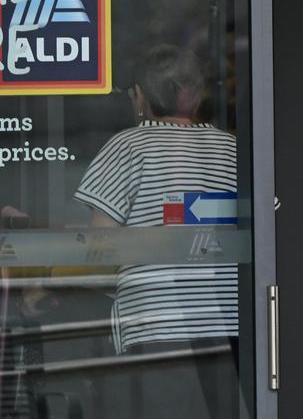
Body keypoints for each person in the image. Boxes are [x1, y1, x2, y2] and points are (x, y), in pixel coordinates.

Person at [73, 44, 240, 418]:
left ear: (139, 96)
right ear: (195, 98)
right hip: (229, 323)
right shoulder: (233, 150)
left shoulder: (129, 146)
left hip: (158, 325)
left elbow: (101, 248)